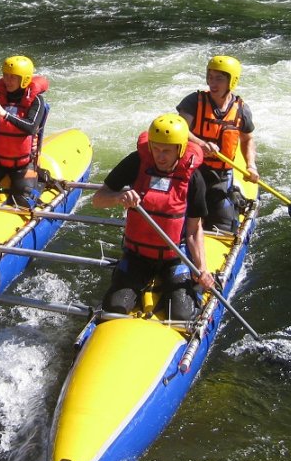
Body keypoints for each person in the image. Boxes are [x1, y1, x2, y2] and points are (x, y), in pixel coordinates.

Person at [92, 113, 215, 321]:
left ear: (181, 149)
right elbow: (98, 199)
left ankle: (191, 294)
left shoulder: (192, 177)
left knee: (181, 314)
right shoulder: (137, 162)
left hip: (174, 256)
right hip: (137, 255)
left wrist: (201, 268)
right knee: (113, 308)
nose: (160, 156)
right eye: (156, 149)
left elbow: (194, 230)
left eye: (167, 150)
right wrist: (118, 197)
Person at [176, 54, 259, 232]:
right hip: (192, 172)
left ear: (232, 81)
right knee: (183, 220)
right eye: (210, 77)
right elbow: (180, 129)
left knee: (225, 227)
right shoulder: (193, 102)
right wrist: (200, 143)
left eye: (219, 79)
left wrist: (251, 166)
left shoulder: (241, 110)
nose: (212, 83)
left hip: (221, 177)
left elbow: (248, 138)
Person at [0, 55, 49, 206]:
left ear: (24, 79)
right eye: (5, 75)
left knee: (23, 202)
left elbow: (31, 127)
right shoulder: (1, 97)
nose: (8, 80)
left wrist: (6, 115)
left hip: (22, 163)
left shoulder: (36, 100)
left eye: (13, 77)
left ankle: (40, 181)